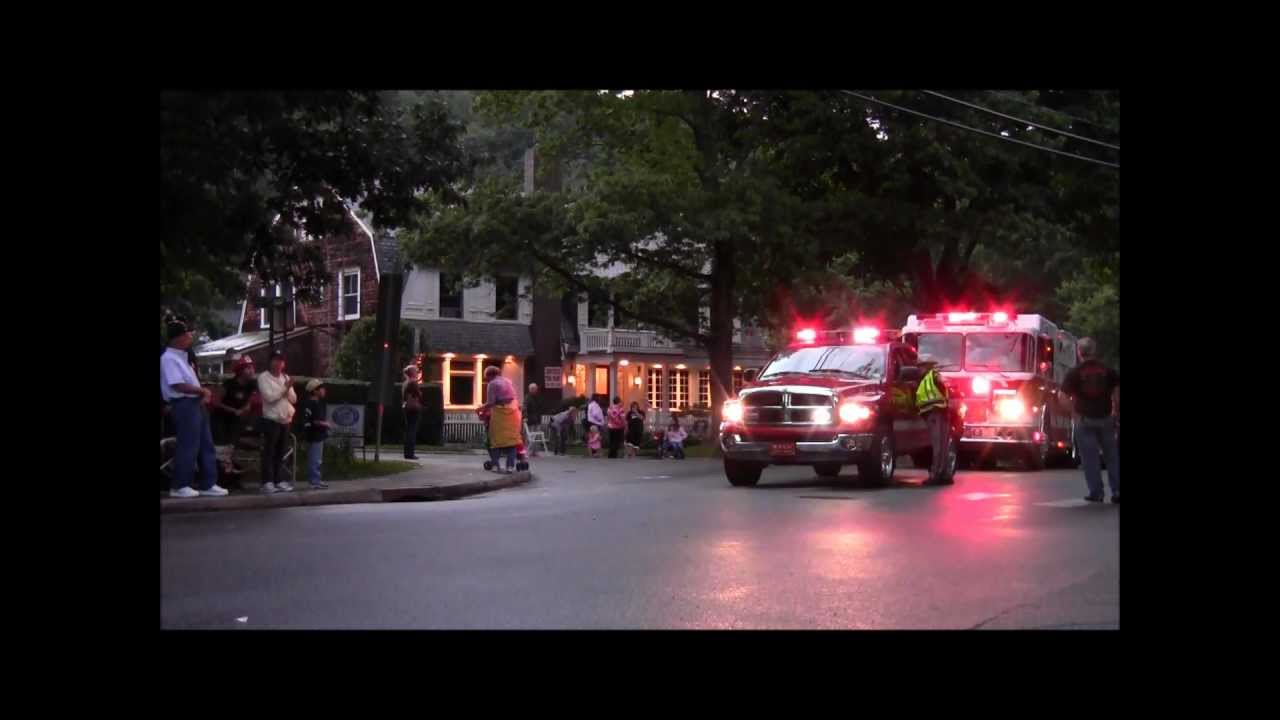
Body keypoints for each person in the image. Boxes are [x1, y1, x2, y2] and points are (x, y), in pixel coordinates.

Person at [160, 317, 228, 498]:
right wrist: (201, 390)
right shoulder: (168, 358)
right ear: (177, 338)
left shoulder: (184, 358)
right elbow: (177, 385)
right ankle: (180, 484)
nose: (190, 336)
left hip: (195, 403)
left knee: (206, 444)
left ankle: (208, 483)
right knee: (188, 445)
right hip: (183, 403)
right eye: (187, 333)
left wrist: (201, 393)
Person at [1059, 337, 1120, 504]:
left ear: (1079, 352)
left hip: (1084, 419)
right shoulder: (1107, 370)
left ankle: (1096, 492)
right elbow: (1117, 391)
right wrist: (1116, 411)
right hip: (1106, 418)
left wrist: (1074, 413)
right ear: (1094, 351)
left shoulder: (1075, 372)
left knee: (1089, 458)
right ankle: (1117, 491)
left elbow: (1062, 396)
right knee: (1112, 456)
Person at [257, 350, 297, 494]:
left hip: (285, 420)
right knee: (269, 451)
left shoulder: (285, 377)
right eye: (275, 360)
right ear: (270, 362)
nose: (278, 363)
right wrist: (285, 388)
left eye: (281, 360)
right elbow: (269, 397)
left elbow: (294, 399)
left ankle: (278, 480)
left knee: (281, 452)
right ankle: (266, 482)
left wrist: (288, 388)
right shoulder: (263, 378)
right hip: (271, 419)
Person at [916, 360, 954, 485]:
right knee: (942, 445)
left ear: (927, 367)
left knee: (938, 446)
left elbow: (945, 387)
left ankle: (936, 475)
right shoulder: (927, 378)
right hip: (938, 413)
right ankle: (945, 475)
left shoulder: (932, 376)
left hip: (936, 414)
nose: (918, 369)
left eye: (920, 366)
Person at [213, 356, 256, 445]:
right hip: (221, 419)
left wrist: (245, 407)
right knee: (221, 444)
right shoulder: (228, 384)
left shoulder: (251, 384)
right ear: (240, 371)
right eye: (248, 368)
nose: (252, 370)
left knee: (232, 444)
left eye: (252, 367)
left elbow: (250, 400)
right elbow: (216, 402)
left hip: (236, 420)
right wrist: (234, 410)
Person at [299, 379, 333, 489]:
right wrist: (326, 424)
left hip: (318, 435)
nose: (324, 390)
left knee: (317, 459)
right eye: (321, 388)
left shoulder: (317, 403)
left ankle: (316, 479)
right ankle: (314, 481)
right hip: (315, 435)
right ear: (315, 391)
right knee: (315, 458)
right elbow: (314, 421)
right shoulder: (313, 404)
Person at [402, 365, 423, 460]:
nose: (417, 372)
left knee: (408, 430)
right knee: (412, 431)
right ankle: (410, 453)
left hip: (407, 408)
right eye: (416, 371)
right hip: (413, 409)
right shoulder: (413, 383)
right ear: (412, 372)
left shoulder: (405, 383)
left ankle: (407, 453)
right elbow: (419, 394)